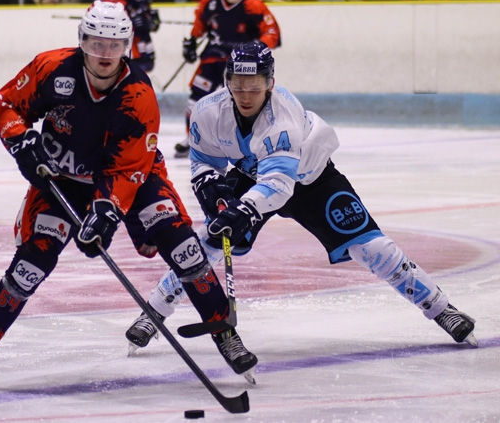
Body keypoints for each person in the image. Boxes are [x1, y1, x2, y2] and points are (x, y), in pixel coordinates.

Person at [124, 41, 478, 383]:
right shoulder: (208, 111)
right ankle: (154, 311)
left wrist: (243, 210)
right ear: (227, 80)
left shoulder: (283, 116)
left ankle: (439, 307)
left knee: (372, 248)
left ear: (270, 83)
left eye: (255, 86)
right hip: (252, 176)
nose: (245, 95)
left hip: (312, 180)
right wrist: (210, 187)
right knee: (208, 240)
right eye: (238, 85)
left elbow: (279, 185)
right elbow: (204, 160)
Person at [0, 0, 256, 388]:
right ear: (82, 41)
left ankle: (225, 334)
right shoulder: (52, 68)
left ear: (127, 45)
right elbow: (6, 103)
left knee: (184, 248)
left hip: (135, 179)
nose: (105, 54)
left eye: (114, 45)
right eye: (97, 43)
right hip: (62, 180)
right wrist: (20, 140)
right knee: (31, 264)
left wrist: (107, 212)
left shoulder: (138, 94)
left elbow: (129, 169)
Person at [174, 0, 281, 158]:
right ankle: (193, 138)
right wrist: (192, 41)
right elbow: (200, 24)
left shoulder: (254, 6)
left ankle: (242, 140)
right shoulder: (211, 0)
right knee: (195, 98)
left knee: (239, 101)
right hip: (212, 57)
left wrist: (256, 50)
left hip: (241, 65)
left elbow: (272, 33)